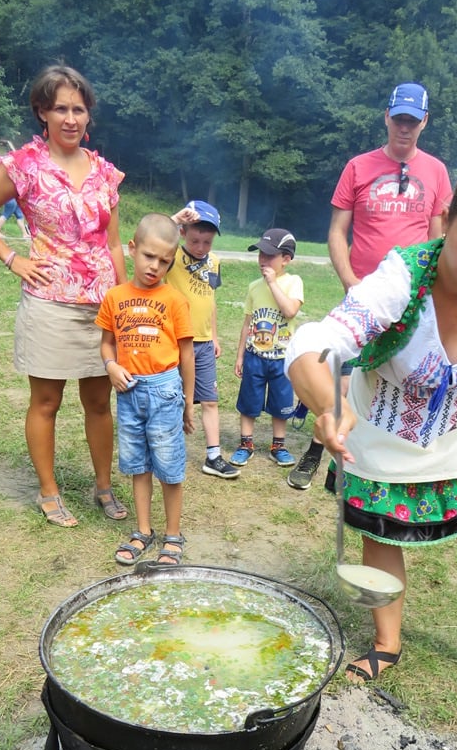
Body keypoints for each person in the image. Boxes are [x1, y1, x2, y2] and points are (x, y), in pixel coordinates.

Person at [285, 161, 457, 713]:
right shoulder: (402, 278)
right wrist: (329, 408)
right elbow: (316, 344)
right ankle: (387, 642)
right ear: (446, 222)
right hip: (378, 418)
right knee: (382, 532)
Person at [0, 64, 128, 527]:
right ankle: (49, 491)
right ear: (42, 112)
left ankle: (103, 486)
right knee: (47, 403)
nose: (71, 118)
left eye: (79, 109)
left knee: (99, 402)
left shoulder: (103, 173)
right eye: (60, 109)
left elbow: (113, 243)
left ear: (88, 115)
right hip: (49, 301)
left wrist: (124, 301)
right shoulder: (24, 166)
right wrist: (12, 258)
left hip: (100, 305)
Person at [289, 81, 453, 491]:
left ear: (424, 122)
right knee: (340, 378)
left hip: (414, 300)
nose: (404, 128)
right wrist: (351, 282)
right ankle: (318, 456)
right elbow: (337, 231)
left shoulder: (436, 172)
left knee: (398, 380)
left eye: (413, 122)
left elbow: (438, 239)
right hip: (363, 294)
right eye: (399, 119)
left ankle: (389, 467)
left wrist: (431, 294)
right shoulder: (358, 167)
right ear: (386, 116)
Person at [96, 213, 195, 566]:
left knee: (169, 468)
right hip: (128, 393)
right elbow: (107, 344)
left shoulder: (174, 300)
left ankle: (172, 534)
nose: (155, 267)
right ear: (132, 249)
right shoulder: (114, 296)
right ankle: (142, 531)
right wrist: (111, 367)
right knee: (138, 466)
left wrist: (189, 401)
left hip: (165, 392)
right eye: (149, 257)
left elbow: (186, 355)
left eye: (165, 261)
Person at [166, 200, 239, 479]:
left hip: (204, 343)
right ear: (184, 233)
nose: (200, 247)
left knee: (209, 400)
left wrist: (215, 336)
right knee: (173, 398)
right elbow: (152, 240)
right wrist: (174, 221)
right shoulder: (171, 255)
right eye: (195, 240)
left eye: (207, 242)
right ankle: (169, 450)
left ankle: (213, 456)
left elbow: (210, 299)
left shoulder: (214, 262)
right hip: (175, 341)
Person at [230, 229, 304, 468]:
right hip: (255, 355)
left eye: (270, 255)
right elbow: (246, 323)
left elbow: (290, 311)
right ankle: (246, 444)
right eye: (261, 253)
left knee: (281, 403)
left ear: (286, 259)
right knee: (249, 401)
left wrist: (272, 283)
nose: (263, 259)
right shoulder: (254, 287)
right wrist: (240, 355)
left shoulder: (293, 282)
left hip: (282, 358)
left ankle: (278, 445)